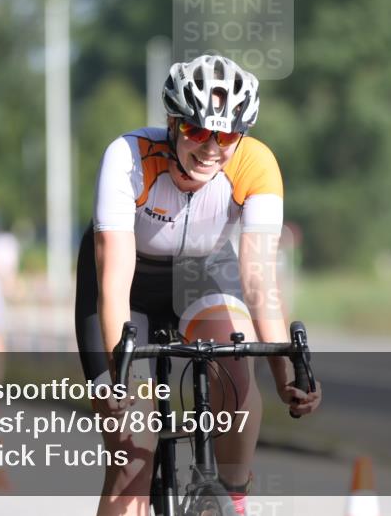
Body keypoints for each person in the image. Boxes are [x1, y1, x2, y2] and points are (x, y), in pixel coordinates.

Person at [76, 55, 322, 516]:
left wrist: (287, 375)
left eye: (226, 136)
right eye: (197, 130)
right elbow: (114, 284)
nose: (211, 147)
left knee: (236, 376)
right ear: (172, 123)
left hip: (200, 274)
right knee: (134, 452)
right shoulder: (128, 157)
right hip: (127, 288)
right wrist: (120, 378)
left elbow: (259, 278)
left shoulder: (256, 164)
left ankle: (231, 497)